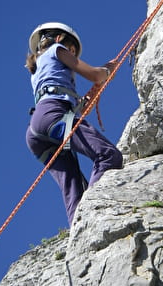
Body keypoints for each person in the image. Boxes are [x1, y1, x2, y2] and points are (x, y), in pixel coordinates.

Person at [25, 22, 123, 226]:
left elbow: (55, 91)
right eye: (72, 50)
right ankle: (93, 213)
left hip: (37, 129)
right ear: (59, 39)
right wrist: (107, 70)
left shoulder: (36, 69)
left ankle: (79, 230)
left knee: (74, 190)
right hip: (53, 114)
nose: (72, 55)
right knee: (108, 155)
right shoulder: (56, 49)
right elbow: (95, 75)